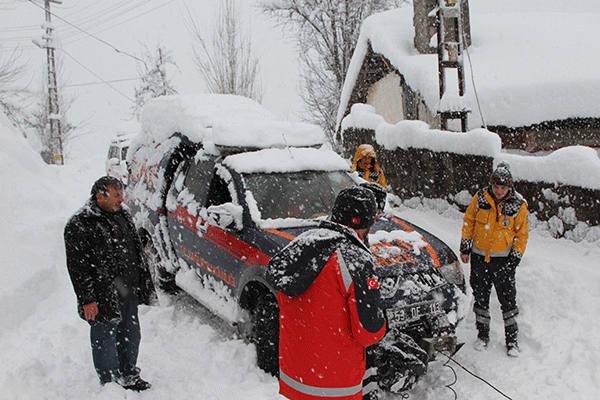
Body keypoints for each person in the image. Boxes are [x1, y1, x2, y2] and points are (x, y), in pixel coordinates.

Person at [269, 186, 387, 400]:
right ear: (369, 221)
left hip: (296, 375)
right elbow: (368, 331)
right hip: (335, 384)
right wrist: (382, 317)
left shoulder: (302, 244)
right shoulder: (355, 260)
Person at [64, 176, 156, 390]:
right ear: (99, 196)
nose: (121, 199)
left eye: (121, 194)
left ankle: (129, 374)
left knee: (130, 335)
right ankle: (110, 383)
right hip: (102, 295)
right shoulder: (80, 223)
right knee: (105, 339)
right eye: (116, 195)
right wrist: (88, 300)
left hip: (128, 290)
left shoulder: (122, 213)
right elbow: (78, 268)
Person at [459, 162, 529, 357]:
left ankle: (512, 340)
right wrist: (465, 247)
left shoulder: (518, 205)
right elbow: (469, 221)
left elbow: (522, 235)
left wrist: (514, 260)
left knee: (508, 301)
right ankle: (482, 334)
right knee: (480, 297)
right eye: (496, 186)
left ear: (510, 187)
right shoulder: (481, 198)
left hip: (503, 261)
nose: (499, 191)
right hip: (479, 258)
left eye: (503, 187)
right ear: (491, 185)